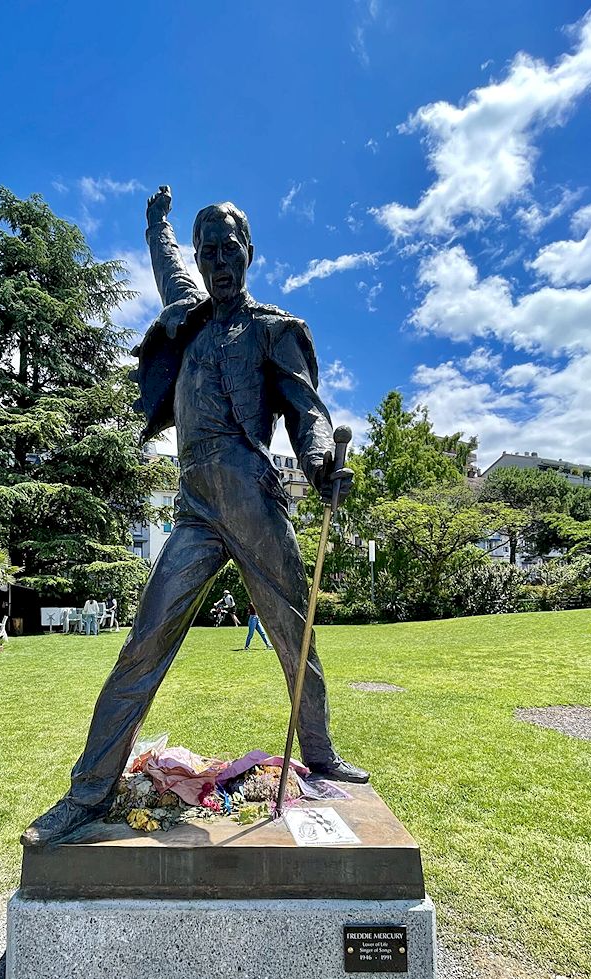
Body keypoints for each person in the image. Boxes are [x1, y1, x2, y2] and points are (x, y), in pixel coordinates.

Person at [23, 185, 366, 847]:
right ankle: (86, 793)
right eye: (206, 250)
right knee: (141, 645)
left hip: (252, 498)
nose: (216, 260)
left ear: (248, 253)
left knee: (296, 638)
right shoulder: (187, 314)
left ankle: (319, 752)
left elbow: (307, 412)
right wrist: (157, 223)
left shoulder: (274, 330)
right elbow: (167, 262)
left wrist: (323, 461)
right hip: (195, 511)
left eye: (227, 247)